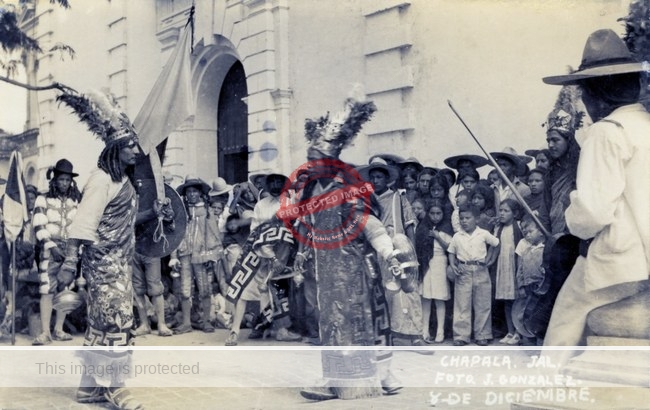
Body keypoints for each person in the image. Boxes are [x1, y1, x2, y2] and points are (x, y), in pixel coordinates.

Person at [542, 29, 650, 364]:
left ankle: (543, 391)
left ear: (598, 93)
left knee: (562, 323)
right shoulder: (645, 125)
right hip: (643, 259)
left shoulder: (606, 132)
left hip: (617, 261)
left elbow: (593, 212)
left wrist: (573, 217)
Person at [297, 91, 405, 401]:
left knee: (368, 321)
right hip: (327, 271)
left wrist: (387, 250)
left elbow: (368, 223)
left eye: (315, 158)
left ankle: (382, 376)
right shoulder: (312, 190)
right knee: (332, 324)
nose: (310, 163)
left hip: (356, 269)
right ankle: (336, 378)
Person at [32, 159, 82, 345]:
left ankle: (59, 329)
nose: (64, 183)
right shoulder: (42, 198)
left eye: (67, 180)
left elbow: (79, 226)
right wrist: (51, 247)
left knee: (65, 288)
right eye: (61, 179)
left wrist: (75, 250)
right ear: (54, 180)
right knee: (47, 288)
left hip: (70, 248)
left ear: (71, 181)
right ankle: (45, 332)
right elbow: (38, 225)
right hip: (49, 248)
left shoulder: (76, 200)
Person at [169, 175, 219, 334]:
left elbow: (214, 234)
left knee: (205, 288)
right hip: (184, 253)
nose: (191, 194)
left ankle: (206, 321)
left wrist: (212, 255)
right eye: (188, 191)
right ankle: (186, 323)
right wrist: (173, 256)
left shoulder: (207, 211)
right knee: (184, 289)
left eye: (194, 191)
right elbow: (175, 234)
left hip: (202, 254)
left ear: (200, 193)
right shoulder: (180, 211)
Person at [448, 205, 499, 346]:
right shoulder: (457, 236)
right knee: (462, 304)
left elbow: (496, 244)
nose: (464, 221)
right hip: (463, 269)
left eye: (468, 218)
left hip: (481, 269)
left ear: (476, 219)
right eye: (461, 218)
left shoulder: (483, 233)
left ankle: (482, 334)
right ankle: (461, 336)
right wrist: (453, 265)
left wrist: (491, 259)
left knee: (482, 303)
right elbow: (451, 252)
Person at [415, 199, 453, 343]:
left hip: (440, 262)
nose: (435, 216)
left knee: (439, 298)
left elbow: (450, 248)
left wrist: (437, 236)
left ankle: (440, 331)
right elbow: (418, 246)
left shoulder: (446, 227)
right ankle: (424, 330)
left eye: (438, 213)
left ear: (443, 213)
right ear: (428, 213)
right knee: (425, 297)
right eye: (432, 213)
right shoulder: (423, 226)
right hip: (425, 264)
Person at [488, 199, 523, 346]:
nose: (502, 213)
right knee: (507, 300)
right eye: (500, 210)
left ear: (514, 214)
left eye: (506, 211)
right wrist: (488, 262)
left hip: (514, 265)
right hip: (503, 266)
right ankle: (510, 331)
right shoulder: (498, 229)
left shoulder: (520, 226)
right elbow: (495, 247)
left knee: (517, 301)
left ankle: (518, 332)